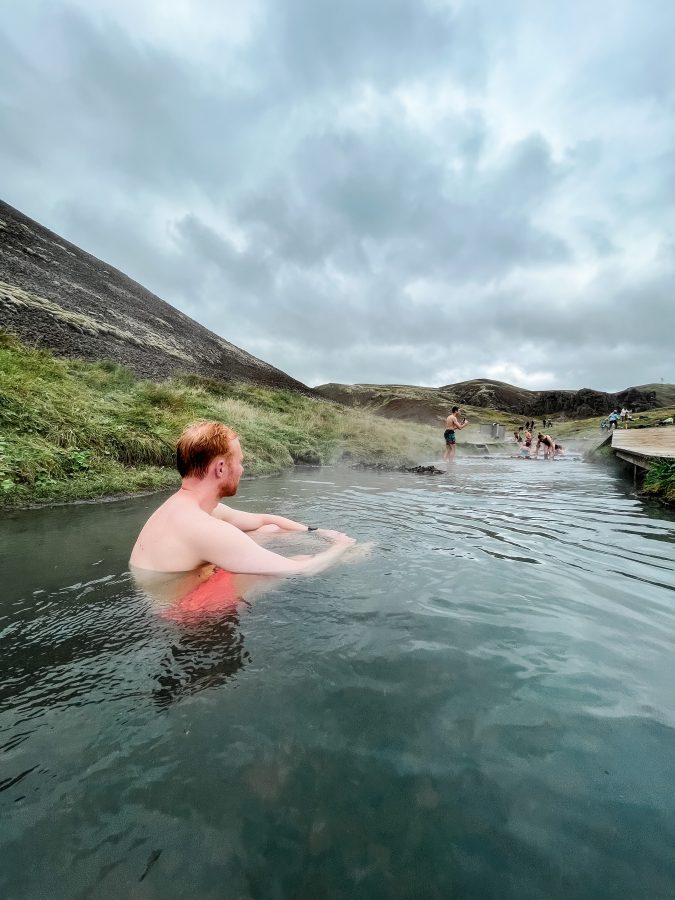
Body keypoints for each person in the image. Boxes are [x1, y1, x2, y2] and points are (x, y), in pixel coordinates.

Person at [130, 421, 355, 578]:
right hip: (184, 613)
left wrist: (317, 532)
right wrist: (340, 547)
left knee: (270, 530)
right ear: (220, 468)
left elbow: (265, 519)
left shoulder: (187, 508)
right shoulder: (204, 528)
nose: (242, 470)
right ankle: (351, 555)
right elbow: (303, 572)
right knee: (298, 561)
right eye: (239, 462)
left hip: (174, 590)